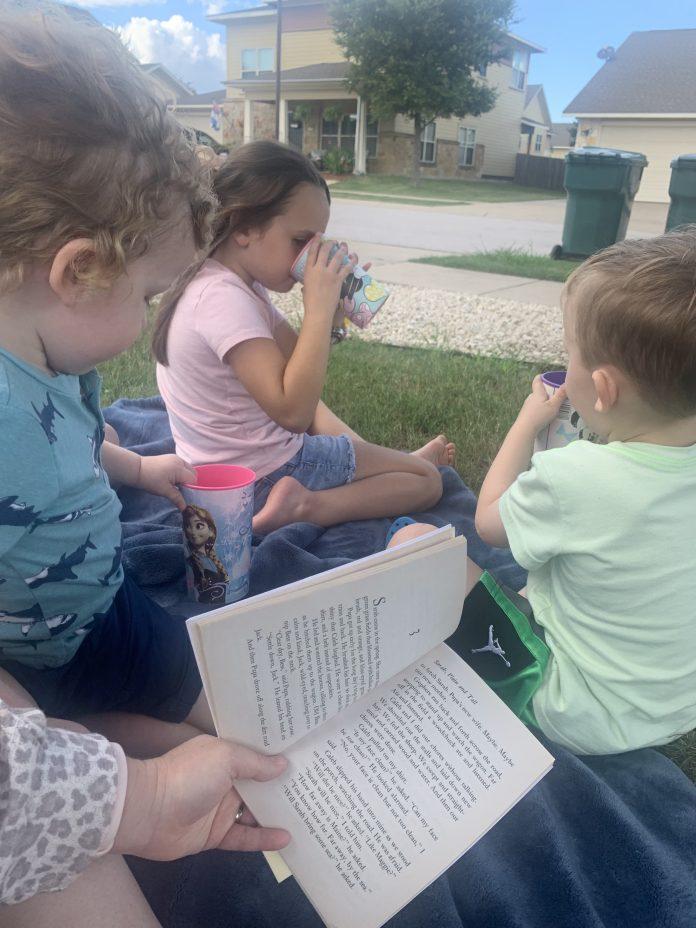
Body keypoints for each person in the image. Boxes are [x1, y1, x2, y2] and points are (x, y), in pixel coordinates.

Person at [0, 6, 218, 744]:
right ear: (81, 271)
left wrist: (136, 466)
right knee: (177, 762)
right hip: (34, 663)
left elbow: (73, 442)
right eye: (150, 296)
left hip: (105, 607)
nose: (152, 315)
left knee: (236, 714)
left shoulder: (49, 350)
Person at [153, 141, 455, 536]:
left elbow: (299, 363)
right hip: (263, 478)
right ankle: (309, 506)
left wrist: (331, 316)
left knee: (321, 411)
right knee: (428, 482)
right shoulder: (222, 300)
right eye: (301, 241)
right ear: (244, 227)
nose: (307, 256)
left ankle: (389, 464)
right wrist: (315, 309)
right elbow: (293, 413)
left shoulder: (231, 284)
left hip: (233, 469)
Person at [469, 230, 696, 755]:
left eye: (569, 353)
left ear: (602, 389)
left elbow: (486, 521)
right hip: (672, 710)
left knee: (417, 545)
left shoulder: (573, 476)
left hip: (577, 712)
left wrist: (525, 425)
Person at [182, 503, 229, 603]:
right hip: (204, 610)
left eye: (199, 526)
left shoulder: (215, 558)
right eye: (188, 526)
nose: (193, 532)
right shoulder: (191, 561)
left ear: (211, 530)